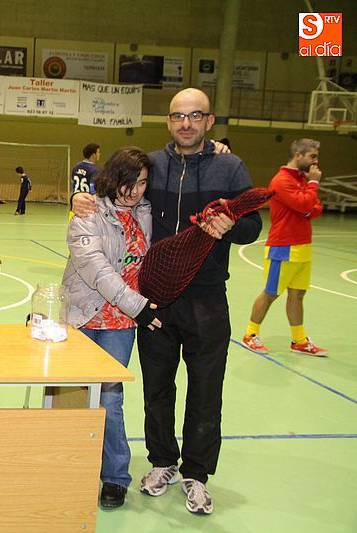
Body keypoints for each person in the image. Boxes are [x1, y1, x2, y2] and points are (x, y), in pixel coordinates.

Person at [72, 88, 261, 515]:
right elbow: (112, 192)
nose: (186, 123)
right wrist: (77, 198)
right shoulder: (153, 166)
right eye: (178, 116)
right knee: (157, 388)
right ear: (169, 121)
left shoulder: (229, 166)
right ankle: (162, 463)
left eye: (195, 116)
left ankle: (197, 473)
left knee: (206, 391)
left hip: (207, 299)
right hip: (154, 300)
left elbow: (253, 226)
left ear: (209, 121)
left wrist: (232, 226)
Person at [62, 146, 162, 510]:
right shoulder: (87, 213)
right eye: (128, 181)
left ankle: (115, 477)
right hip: (83, 316)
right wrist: (138, 307)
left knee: (109, 399)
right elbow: (97, 269)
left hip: (120, 324)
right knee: (69, 396)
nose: (134, 191)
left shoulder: (148, 212)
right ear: (112, 178)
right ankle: (67, 466)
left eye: (142, 182)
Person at [242, 138, 327, 356]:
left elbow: (316, 208)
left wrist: (307, 202)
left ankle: (299, 340)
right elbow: (306, 205)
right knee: (270, 293)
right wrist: (313, 186)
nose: (316, 161)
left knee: (298, 295)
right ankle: (250, 334)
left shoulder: (302, 180)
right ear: (298, 156)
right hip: (283, 248)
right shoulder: (282, 180)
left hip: (303, 247)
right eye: (312, 156)